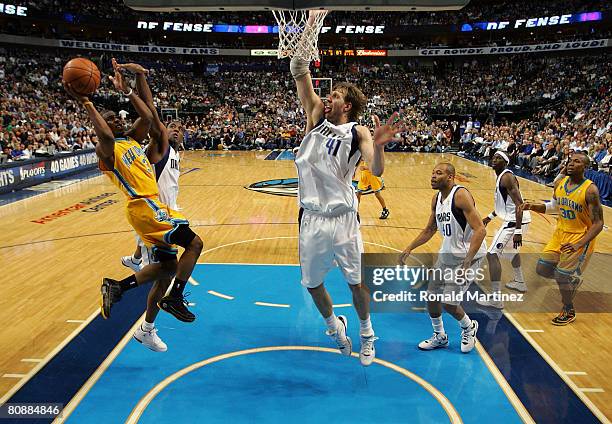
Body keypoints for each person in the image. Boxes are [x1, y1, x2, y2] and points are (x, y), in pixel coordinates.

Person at [291, 11, 404, 366]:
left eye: (335, 95)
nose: (328, 97)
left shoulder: (358, 132)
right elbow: (298, 66)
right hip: (310, 218)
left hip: (342, 219)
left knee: (356, 283)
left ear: (348, 105)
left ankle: (367, 333)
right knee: (311, 284)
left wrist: (382, 144)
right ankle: (334, 326)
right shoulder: (314, 117)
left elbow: (376, 168)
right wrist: (311, 24)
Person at [63, 59, 203, 331]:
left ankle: (117, 286)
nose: (117, 119)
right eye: (110, 118)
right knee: (195, 245)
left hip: (151, 209)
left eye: (117, 117)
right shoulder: (106, 151)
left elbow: (149, 117)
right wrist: (87, 103)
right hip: (145, 207)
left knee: (168, 267)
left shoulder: (131, 140)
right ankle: (174, 298)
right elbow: (103, 133)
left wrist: (127, 90)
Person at [115, 61, 186, 351]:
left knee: (167, 274)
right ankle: (129, 300)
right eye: (174, 127)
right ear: (162, 131)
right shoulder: (157, 148)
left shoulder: (175, 151)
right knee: (164, 275)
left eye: (181, 128)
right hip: (154, 220)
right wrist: (141, 78)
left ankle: (146, 326)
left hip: (166, 219)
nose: (178, 130)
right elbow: (152, 110)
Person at [400, 163, 485, 353]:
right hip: (448, 253)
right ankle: (440, 336)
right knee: (431, 297)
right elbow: (430, 229)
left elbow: (481, 229)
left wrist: (467, 262)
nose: (433, 176)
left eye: (438, 173)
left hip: (469, 254)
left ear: (450, 177)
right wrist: (409, 248)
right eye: (432, 173)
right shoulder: (436, 199)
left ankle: (468, 327)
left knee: (449, 303)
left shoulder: (461, 195)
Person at [521, 152, 604, 325]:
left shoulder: (590, 190)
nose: (571, 163)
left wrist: (579, 244)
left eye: (577, 161)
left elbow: (598, 223)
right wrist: (532, 206)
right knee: (542, 269)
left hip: (580, 237)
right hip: (560, 233)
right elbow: (553, 207)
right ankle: (570, 281)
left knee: (560, 275)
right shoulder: (560, 183)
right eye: (570, 160)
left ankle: (568, 309)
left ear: (586, 167)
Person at [479, 151, 531, 309]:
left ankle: (495, 298)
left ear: (506, 162)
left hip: (514, 222)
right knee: (512, 252)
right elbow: (504, 204)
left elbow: (519, 204)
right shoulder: (500, 176)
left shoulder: (507, 177)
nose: (494, 160)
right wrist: (490, 216)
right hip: (518, 220)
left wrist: (518, 231)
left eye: (499, 158)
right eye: (493, 157)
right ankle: (520, 282)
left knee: (492, 254)